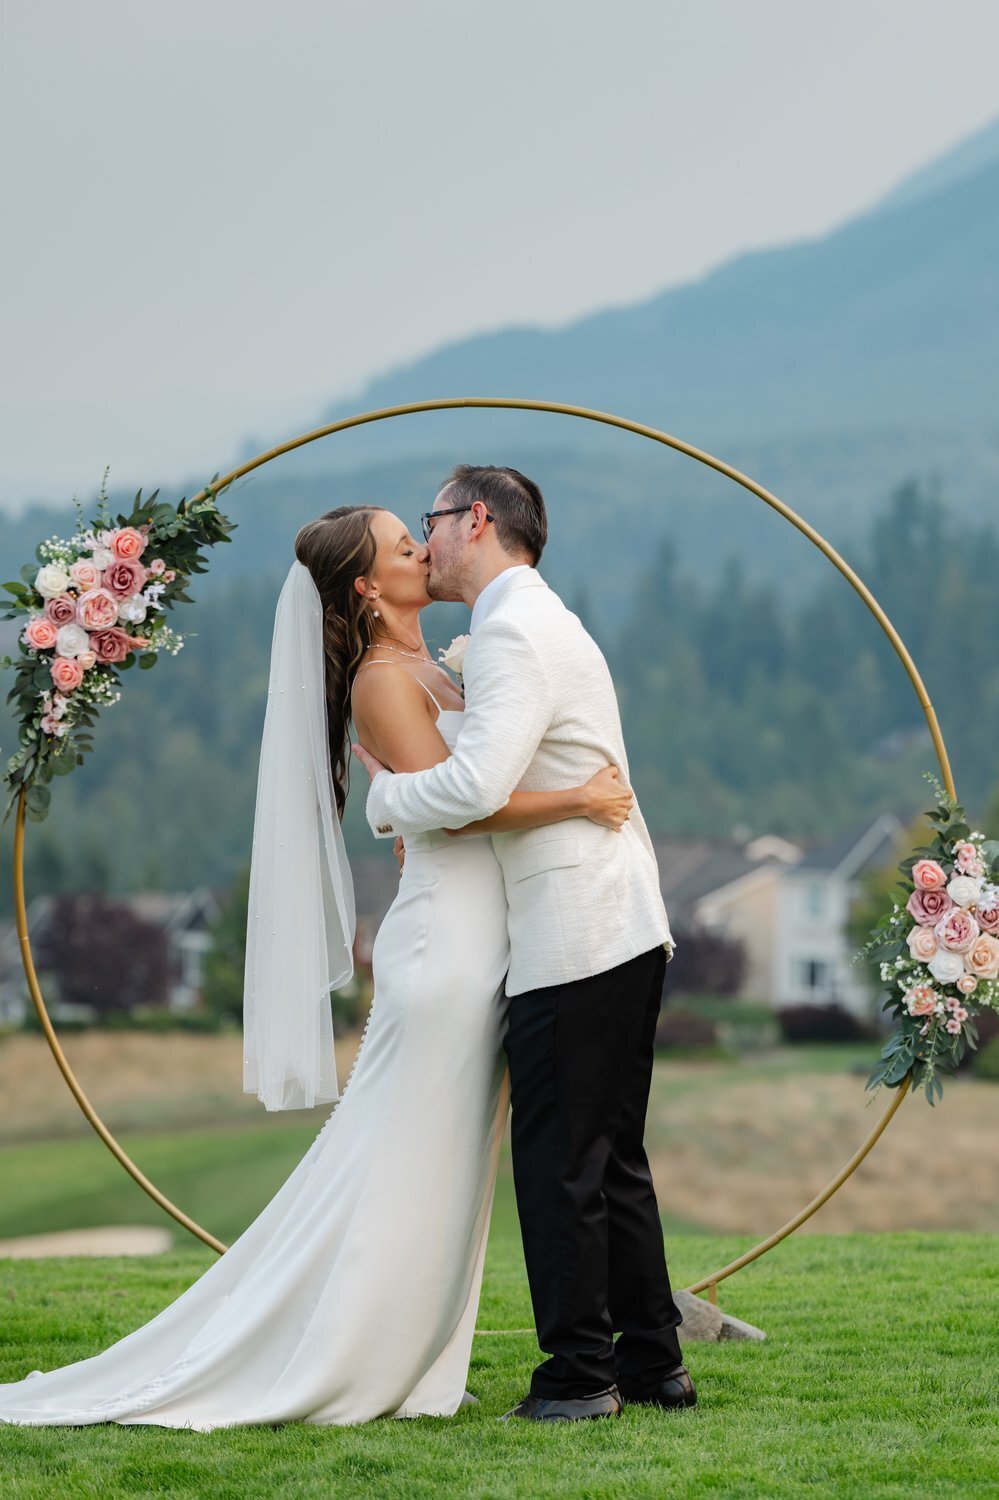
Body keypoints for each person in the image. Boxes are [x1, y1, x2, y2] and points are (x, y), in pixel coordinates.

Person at [0, 504, 633, 1430]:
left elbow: (450, 789)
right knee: (402, 1157)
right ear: (368, 589)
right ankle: (340, 1355)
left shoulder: (435, 662)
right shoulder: (382, 678)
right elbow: (456, 809)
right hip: (448, 945)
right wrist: (577, 798)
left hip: (488, 930)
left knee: (442, 1160)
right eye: (402, 545)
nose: (424, 548)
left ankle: (401, 1352)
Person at [354, 465, 694, 1423]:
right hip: (611, 918)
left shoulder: (509, 630)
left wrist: (383, 797)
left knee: (561, 1162)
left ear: (477, 520)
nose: (426, 544)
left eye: (432, 523)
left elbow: (470, 789)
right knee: (609, 1155)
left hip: (573, 929)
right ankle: (653, 1364)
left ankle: (580, 1376)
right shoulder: (537, 618)